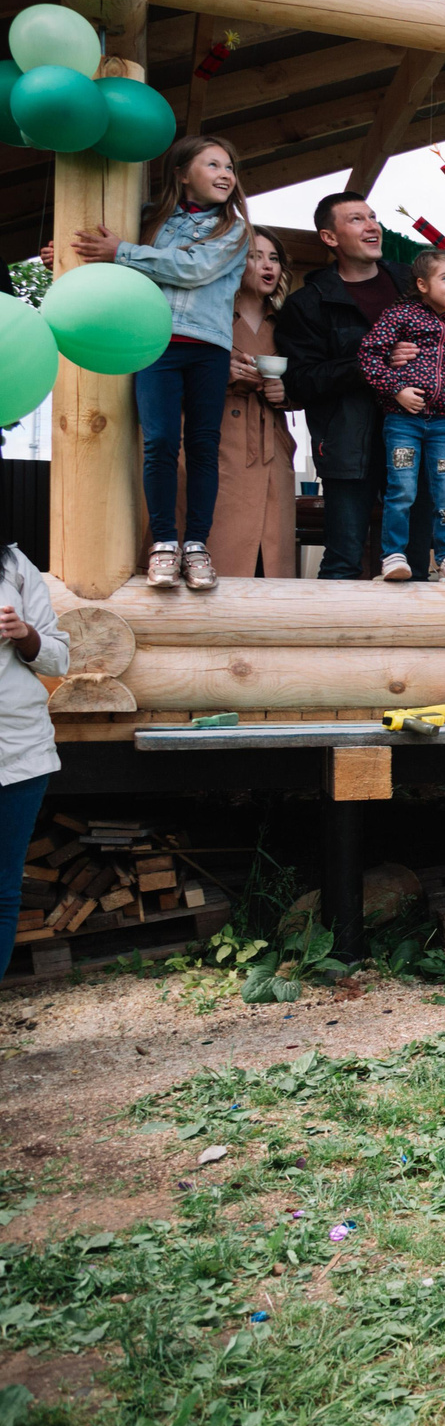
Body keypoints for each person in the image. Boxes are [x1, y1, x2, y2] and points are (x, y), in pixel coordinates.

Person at [72, 136, 251, 591]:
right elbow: (106, 255)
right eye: (213, 165)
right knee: (160, 442)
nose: (225, 174)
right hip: (154, 344)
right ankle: (165, 544)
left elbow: (192, 269)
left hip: (208, 347)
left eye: (230, 167)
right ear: (182, 173)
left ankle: (197, 545)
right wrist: (65, 255)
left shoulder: (233, 229)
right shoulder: (148, 219)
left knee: (203, 445)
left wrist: (123, 252)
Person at [280, 193, 413, 580]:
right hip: (346, 446)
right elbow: (300, 381)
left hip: (416, 436)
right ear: (330, 237)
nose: (372, 226)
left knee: (414, 558)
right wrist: (371, 363)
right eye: (357, 219)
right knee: (343, 559)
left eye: (373, 217)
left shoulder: (413, 283)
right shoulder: (308, 303)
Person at [359, 247, 445, 584]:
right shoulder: (400, 315)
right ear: (423, 285)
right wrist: (397, 389)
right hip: (403, 423)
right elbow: (369, 356)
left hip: (442, 426)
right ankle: (393, 555)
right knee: (402, 489)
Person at [209, 227, 297, 579]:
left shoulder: (288, 321)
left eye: (274, 258)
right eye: (255, 256)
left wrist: (287, 393)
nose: (267, 265)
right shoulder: (211, 314)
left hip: (271, 437)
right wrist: (222, 373)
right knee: (223, 549)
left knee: (271, 553)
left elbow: (308, 376)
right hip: (220, 436)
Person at [0, 527, 65, 980]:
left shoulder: (14, 566)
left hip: (18, 752)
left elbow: (58, 658)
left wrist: (24, 634)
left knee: (3, 891)